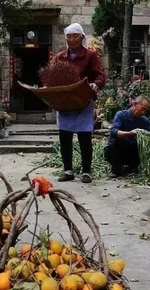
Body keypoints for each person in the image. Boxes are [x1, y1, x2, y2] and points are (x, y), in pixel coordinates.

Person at [54, 23, 106, 184]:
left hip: (83, 101)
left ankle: (86, 171)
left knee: (84, 137)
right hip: (64, 102)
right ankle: (68, 170)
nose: (72, 39)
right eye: (69, 36)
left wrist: (96, 84)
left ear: (82, 37)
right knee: (65, 137)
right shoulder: (60, 57)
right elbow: (52, 75)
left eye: (75, 36)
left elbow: (100, 75)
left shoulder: (90, 55)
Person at [105, 95, 150, 178]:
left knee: (138, 143)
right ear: (134, 104)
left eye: (145, 110)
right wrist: (129, 133)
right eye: (142, 109)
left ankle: (132, 168)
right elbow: (114, 131)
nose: (143, 112)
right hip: (116, 152)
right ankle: (116, 168)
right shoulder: (121, 115)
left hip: (131, 153)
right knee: (115, 142)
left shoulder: (144, 121)